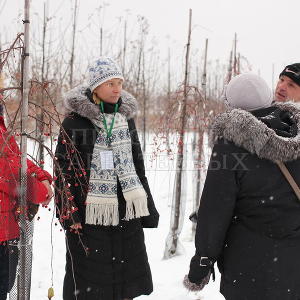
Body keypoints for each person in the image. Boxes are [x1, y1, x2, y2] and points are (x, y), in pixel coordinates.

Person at [184, 73, 300, 300]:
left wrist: (201, 264)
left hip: (248, 268)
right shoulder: (294, 134)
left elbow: (215, 211)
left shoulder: (230, 145)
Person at [55, 57, 159, 300]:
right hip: (90, 216)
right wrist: (70, 215)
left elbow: (137, 164)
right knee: (92, 287)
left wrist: (147, 208)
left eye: (119, 83)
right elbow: (63, 173)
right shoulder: (74, 122)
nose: (116, 89)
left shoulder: (126, 120)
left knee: (124, 286)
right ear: (95, 87)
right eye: (109, 83)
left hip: (125, 216)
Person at [0, 103, 53, 300]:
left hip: (6, 230)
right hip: (2, 232)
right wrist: (40, 190)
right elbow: (9, 174)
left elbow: (16, 159)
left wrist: (42, 177)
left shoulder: (2, 129)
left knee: (5, 285)